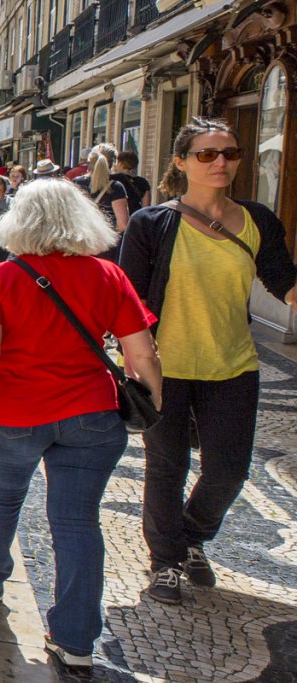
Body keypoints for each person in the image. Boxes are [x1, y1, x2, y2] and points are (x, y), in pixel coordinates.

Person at [0, 178, 162, 672]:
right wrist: (153, 407)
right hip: (91, 417)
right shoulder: (108, 276)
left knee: (1, 496)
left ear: (18, 221)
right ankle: (75, 640)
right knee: (76, 522)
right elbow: (142, 354)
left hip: (12, 416)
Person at [118, 117, 297, 604]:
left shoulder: (257, 220)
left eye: (231, 154)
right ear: (181, 161)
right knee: (166, 467)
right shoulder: (151, 224)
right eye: (207, 154)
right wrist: (138, 362)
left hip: (233, 365)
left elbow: (284, 281)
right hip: (165, 367)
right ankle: (167, 562)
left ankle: (191, 535)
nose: (221, 162)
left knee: (229, 471)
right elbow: (128, 299)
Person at [74, 143, 128, 260]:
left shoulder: (77, 183)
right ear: (113, 163)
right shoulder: (116, 187)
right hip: (106, 248)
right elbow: (123, 224)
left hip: (81, 244)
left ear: (90, 160)